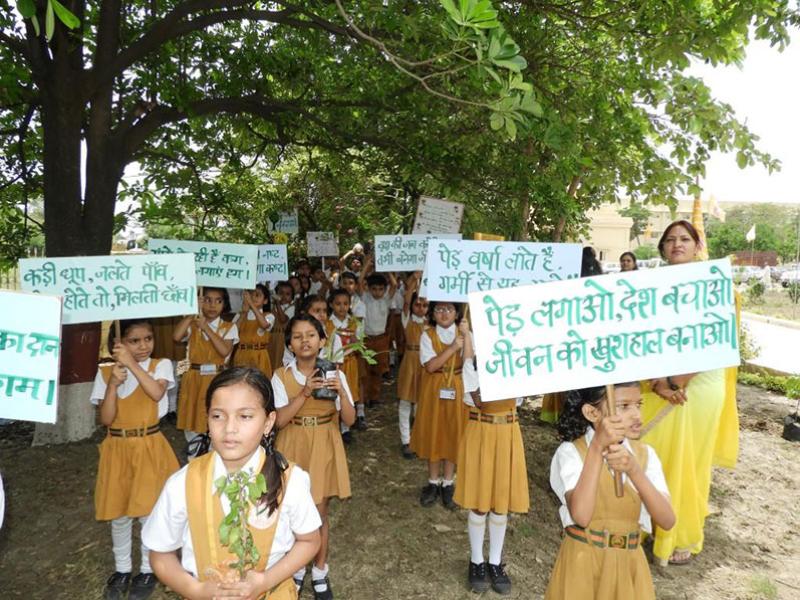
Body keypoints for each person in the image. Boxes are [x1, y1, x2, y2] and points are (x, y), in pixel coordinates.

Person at [143, 367, 322, 599]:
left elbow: (309, 540)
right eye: (218, 416)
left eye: (245, 416)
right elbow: (160, 554)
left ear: (268, 423)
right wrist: (194, 590)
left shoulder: (291, 481)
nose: (229, 428)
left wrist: (265, 581)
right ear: (207, 419)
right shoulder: (182, 484)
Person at [641, 219, 740, 566]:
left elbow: (713, 339)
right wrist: (657, 381)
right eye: (670, 240)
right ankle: (650, 523)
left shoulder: (713, 284)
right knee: (653, 454)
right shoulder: (650, 284)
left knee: (688, 461)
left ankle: (681, 535)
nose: (677, 244)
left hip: (697, 385)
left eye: (685, 239)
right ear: (662, 247)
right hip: (655, 384)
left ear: (698, 245)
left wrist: (675, 382)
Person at [545, 384, 674, 599]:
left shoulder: (645, 456)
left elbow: (667, 520)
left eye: (638, 404)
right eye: (623, 406)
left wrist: (634, 470)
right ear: (592, 413)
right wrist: (596, 448)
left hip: (630, 568)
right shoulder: (571, 452)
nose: (636, 414)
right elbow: (582, 516)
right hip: (583, 564)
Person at [91, 319, 180, 600]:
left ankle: (146, 568)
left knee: (146, 511)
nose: (143, 346)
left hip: (148, 446)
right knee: (119, 512)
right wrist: (113, 386)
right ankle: (121, 569)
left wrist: (132, 364)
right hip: (117, 447)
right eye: (134, 341)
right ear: (118, 344)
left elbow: (155, 393)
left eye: (148, 339)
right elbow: (105, 418)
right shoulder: (106, 372)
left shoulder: (160, 365)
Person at [273, 315, 356, 599]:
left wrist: (341, 393)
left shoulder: (336, 374)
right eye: (297, 336)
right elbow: (279, 421)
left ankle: (320, 571)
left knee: (319, 512)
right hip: (293, 443)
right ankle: (294, 570)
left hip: (323, 443)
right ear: (289, 344)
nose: (304, 340)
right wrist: (304, 392)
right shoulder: (281, 376)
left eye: (311, 335)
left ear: (322, 340)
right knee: (289, 511)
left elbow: (350, 419)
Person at [455, 358, 528, 595]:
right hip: (481, 431)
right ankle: (476, 560)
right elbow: (481, 401)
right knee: (479, 501)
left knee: (501, 501)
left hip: (508, 432)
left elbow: (520, 397)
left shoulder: (518, 361)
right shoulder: (471, 364)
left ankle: (495, 562)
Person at [410, 301, 469, 510]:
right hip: (434, 389)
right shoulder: (427, 335)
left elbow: (471, 361)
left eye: (449, 309)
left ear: (457, 313)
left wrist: (467, 338)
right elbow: (431, 365)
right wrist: (454, 347)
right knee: (434, 431)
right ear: (433, 314)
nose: (444, 314)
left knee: (452, 432)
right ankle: (433, 482)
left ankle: (448, 482)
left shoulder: (464, 334)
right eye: (439, 309)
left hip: (457, 388)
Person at [174, 288, 239, 449]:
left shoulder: (229, 327)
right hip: (194, 378)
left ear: (225, 304)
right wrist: (191, 313)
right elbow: (176, 337)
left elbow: (224, 350)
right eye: (207, 300)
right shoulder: (192, 325)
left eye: (218, 301)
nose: (212, 305)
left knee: (217, 418)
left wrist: (207, 328)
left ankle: (214, 453)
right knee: (193, 419)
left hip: (217, 379)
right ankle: (194, 453)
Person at [358, 256, 398, 406]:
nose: (377, 292)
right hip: (366, 338)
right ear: (369, 288)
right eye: (374, 288)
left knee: (378, 369)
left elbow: (393, 285)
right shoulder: (365, 298)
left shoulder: (386, 299)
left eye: (381, 289)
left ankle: (375, 396)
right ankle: (366, 397)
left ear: (384, 289)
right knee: (366, 369)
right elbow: (360, 281)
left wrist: (386, 269)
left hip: (381, 339)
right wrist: (367, 265)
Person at [396, 273, 427, 459]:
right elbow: (406, 301)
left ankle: (418, 437)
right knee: (406, 401)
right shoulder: (407, 319)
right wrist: (415, 280)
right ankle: (405, 440)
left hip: (425, 364)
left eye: (424, 305)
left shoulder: (431, 323)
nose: (421, 308)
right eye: (418, 304)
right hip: (409, 361)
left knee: (421, 402)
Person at [327, 288, 366, 436]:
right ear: (331, 304)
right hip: (334, 364)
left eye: (345, 304)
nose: (342, 307)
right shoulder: (328, 323)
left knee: (348, 392)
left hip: (350, 362)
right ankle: (334, 425)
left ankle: (346, 428)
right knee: (333, 392)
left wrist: (355, 340)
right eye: (338, 304)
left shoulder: (354, 323)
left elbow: (360, 344)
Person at [233, 284, 275, 377]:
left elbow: (264, 325)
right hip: (242, 354)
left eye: (257, 295)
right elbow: (233, 332)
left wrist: (251, 304)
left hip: (259, 355)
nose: (253, 297)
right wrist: (244, 313)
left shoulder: (269, 316)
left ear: (265, 301)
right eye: (251, 295)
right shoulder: (240, 315)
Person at [269, 281, 296, 370]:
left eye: (287, 294)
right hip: (272, 340)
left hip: (283, 342)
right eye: (281, 293)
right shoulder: (271, 308)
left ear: (292, 297)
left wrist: (277, 303)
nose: (284, 296)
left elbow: (282, 319)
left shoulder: (292, 308)